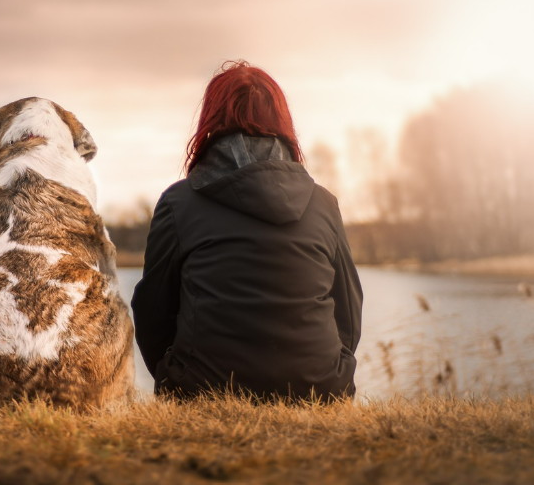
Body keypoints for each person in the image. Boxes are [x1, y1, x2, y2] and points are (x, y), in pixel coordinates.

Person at [131, 60, 362, 401]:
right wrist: (330, 370)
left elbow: (152, 312)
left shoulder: (179, 203)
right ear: (282, 122)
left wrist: (174, 375)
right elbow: (349, 311)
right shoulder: (324, 204)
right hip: (320, 390)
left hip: (203, 390)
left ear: (210, 121)